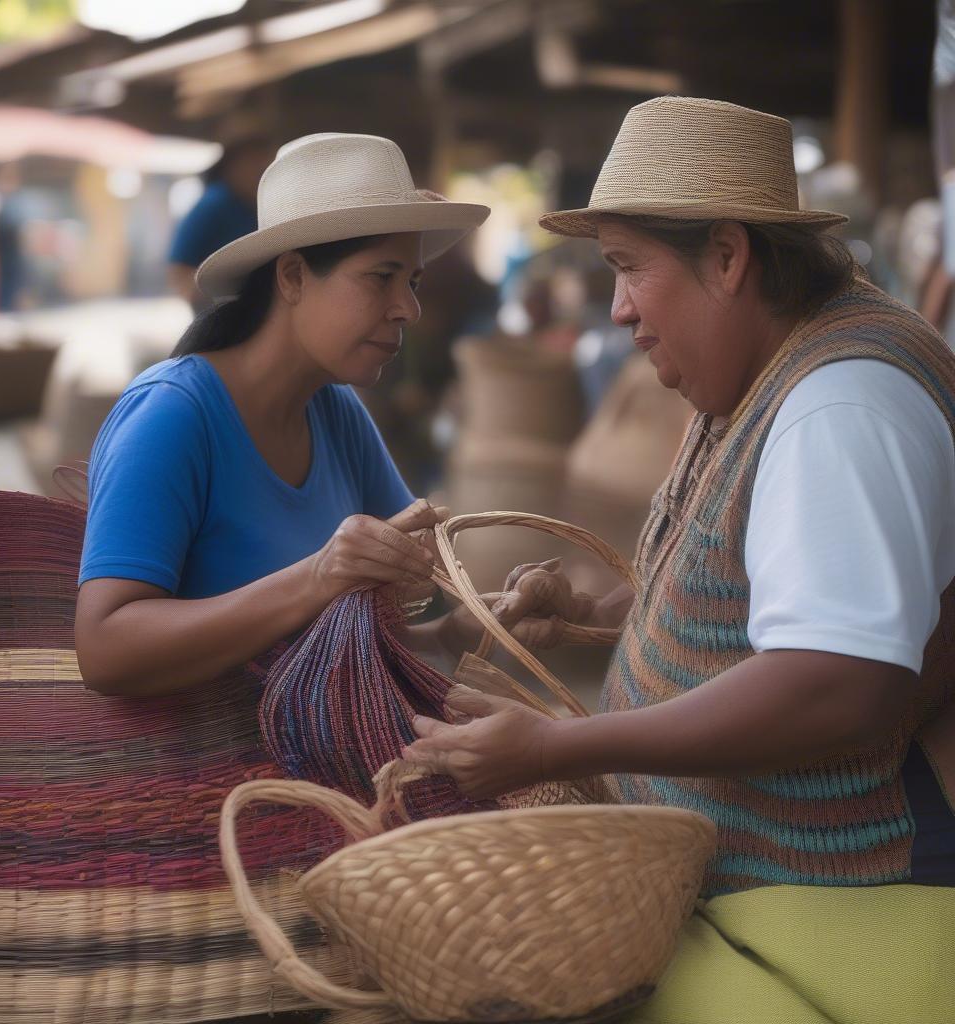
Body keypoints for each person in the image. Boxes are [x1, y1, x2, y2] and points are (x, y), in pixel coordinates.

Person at [403, 97, 955, 1024]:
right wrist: (602, 608)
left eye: (629, 268)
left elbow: (838, 679)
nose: (617, 310)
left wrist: (559, 745)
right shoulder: (771, 372)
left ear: (729, 258)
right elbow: (775, 587)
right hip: (760, 898)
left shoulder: (840, 410)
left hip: (829, 915)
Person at [76, 132, 491, 700]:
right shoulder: (172, 415)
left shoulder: (338, 413)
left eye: (412, 282)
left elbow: (337, 650)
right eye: (381, 277)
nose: (408, 308)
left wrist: (460, 630)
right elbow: (104, 650)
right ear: (293, 276)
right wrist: (318, 576)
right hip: (204, 782)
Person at [167, 117, 271, 311]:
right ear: (231, 165)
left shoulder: (260, 205)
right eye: (253, 160)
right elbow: (179, 272)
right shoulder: (213, 205)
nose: (260, 168)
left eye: (264, 159)